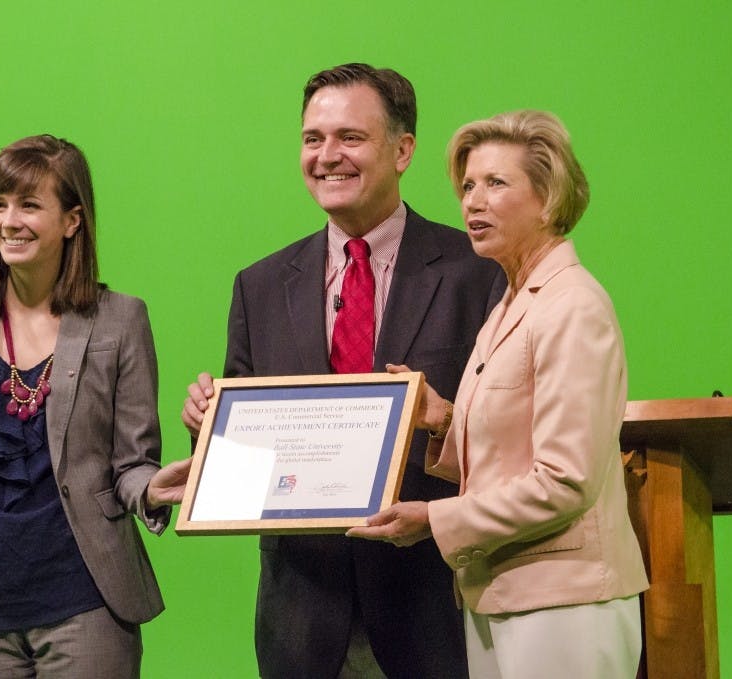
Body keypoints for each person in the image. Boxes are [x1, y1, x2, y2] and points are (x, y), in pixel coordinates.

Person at [182, 64, 505, 678]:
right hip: (302, 620)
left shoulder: (476, 272)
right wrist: (209, 430)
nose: (327, 156)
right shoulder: (260, 286)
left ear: (403, 149)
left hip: (434, 610)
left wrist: (442, 421)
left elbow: (509, 439)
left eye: (350, 137)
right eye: (313, 138)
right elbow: (247, 466)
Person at [347, 110, 649, 677]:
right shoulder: (511, 305)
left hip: (564, 602)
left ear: (548, 197)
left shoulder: (571, 306)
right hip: (501, 596)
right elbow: (511, 454)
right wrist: (443, 420)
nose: (472, 202)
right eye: (466, 186)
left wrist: (437, 519)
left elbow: (564, 481)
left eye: (495, 183)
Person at [0, 134, 191, 679]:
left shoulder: (121, 320)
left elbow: (132, 464)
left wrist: (153, 489)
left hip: (87, 603)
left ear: (73, 221)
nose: (9, 221)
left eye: (29, 205)